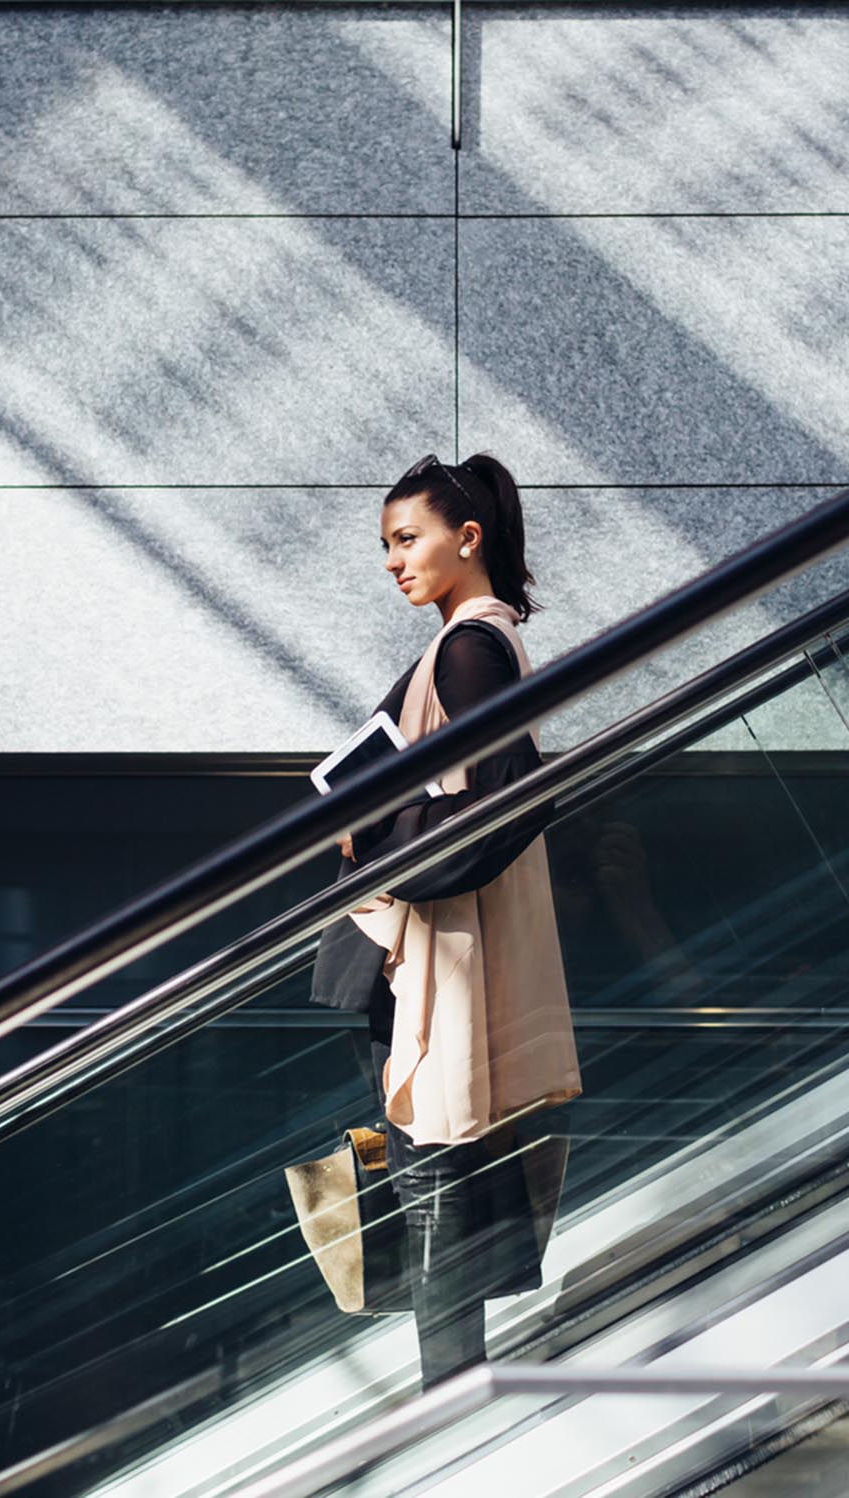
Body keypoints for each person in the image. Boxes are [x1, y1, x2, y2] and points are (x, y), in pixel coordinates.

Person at [307, 451, 583, 1389]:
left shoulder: (470, 646)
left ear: (468, 539)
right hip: (434, 957)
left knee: (431, 1184)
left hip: (436, 962)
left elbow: (504, 804)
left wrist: (371, 829)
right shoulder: (471, 643)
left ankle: (449, 1408)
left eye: (407, 538)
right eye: (386, 543)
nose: (392, 560)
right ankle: (455, 1395)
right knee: (437, 1178)